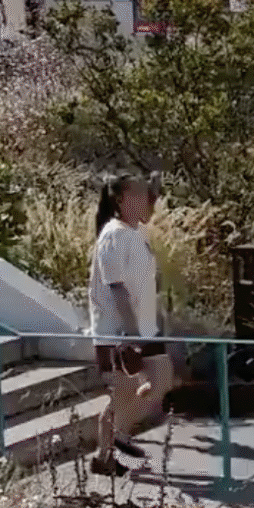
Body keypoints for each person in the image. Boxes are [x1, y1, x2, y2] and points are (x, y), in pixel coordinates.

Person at [88, 174, 171, 477]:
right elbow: (117, 288)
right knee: (121, 394)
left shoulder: (137, 233)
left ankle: (117, 437)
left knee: (160, 380)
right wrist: (130, 332)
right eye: (138, 196)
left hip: (145, 327)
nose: (146, 202)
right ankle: (104, 456)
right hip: (118, 332)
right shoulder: (113, 235)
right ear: (120, 201)